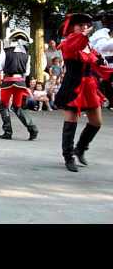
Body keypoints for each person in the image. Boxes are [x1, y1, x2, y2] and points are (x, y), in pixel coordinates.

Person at [54, 13, 113, 172]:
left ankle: (80, 149)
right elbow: (75, 46)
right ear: (72, 27)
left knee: (97, 122)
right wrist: (84, 36)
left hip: (90, 86)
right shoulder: (68, 43)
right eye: (80, 25)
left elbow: (97, 65)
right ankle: (68, 157)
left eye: (86, 25)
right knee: (71, 122)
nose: (84, 27)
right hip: (73, 86)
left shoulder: (88, 46)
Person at [0, 29, 39, 140]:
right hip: (20, 82)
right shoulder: (27, 54)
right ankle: (32, 129)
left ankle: (8, 131)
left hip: (8, 82)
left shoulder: (5, 51)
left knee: (3, 106)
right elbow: (27, 72)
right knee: (17, 107)